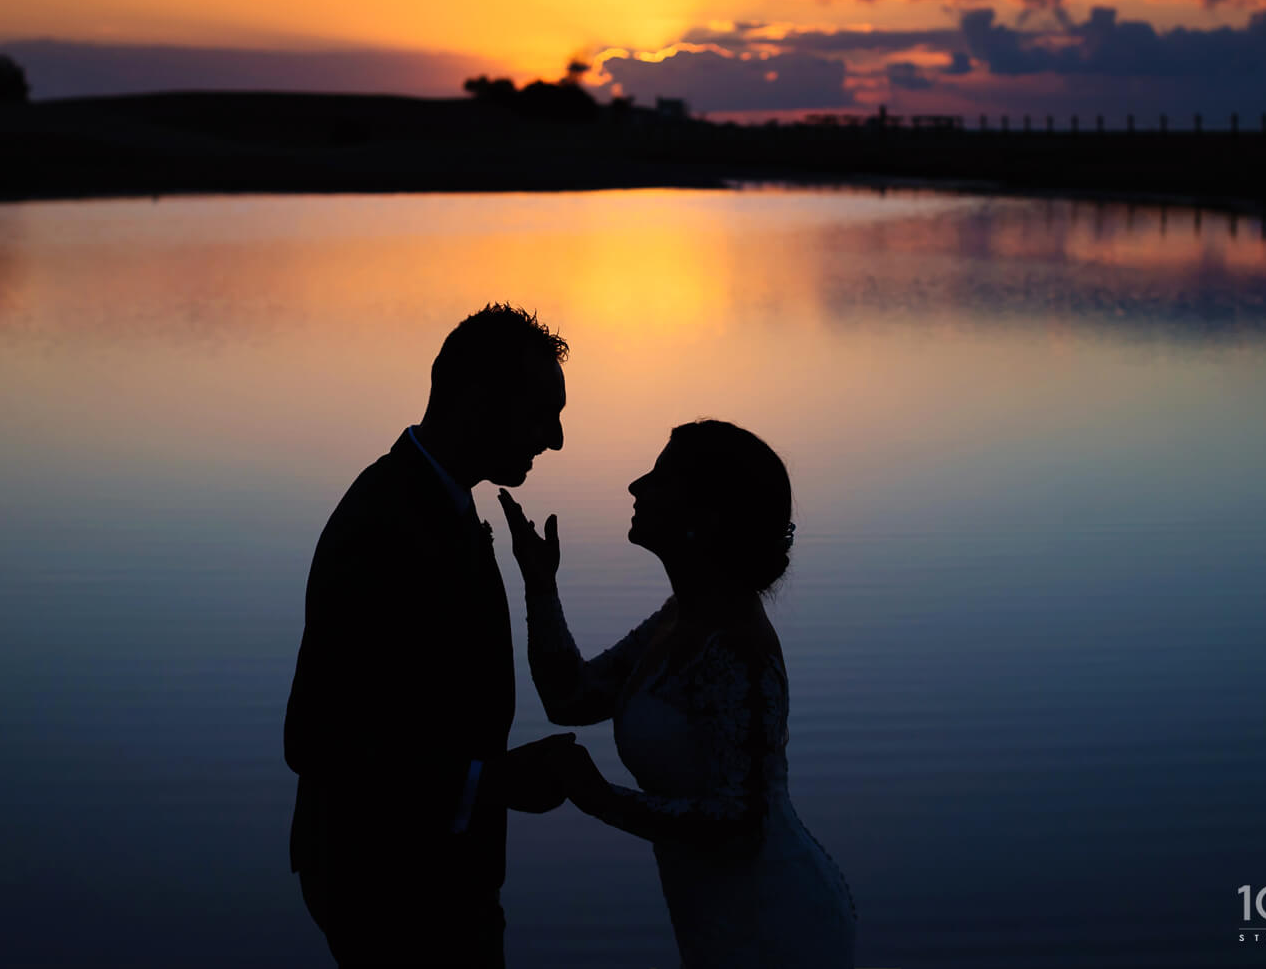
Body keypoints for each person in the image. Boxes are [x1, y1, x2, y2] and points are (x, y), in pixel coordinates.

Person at [498, 419, 857, 968]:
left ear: (705, 516)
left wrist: (598, 797)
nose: (636, 487)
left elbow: (739, 828)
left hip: (776, 924)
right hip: (714, 915)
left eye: (660, 478)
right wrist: (540, 582)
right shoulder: (680, 619)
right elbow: (570, 698)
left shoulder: (736, 647)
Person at [284, 303, 577, 967]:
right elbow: (317, 738)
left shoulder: (441, 497)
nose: (555, 439)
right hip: (390, 890)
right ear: (479, 401)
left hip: (435, 879)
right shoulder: (382, 522)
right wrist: (493, 782)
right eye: (542, 412)